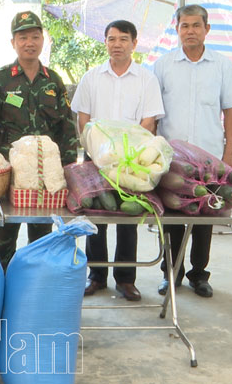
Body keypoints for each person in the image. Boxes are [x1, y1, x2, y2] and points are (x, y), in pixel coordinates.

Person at [154, 4, 232, 298]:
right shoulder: (163, 65)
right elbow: (153, 113)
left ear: (207, 29)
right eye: (184, 26)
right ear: (177, 29)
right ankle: (171, 275)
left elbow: (230, 112)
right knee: (171, 217)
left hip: (210, 160)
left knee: (205, 216)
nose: (190, 31)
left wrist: (229, 152)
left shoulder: (221, 65)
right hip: (172, 158)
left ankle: (198, 275)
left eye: (196, 25)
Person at [0, 10, 79, 270]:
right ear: (13, 42)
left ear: (43, 40)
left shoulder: (53, 80)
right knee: (6, 231)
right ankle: (0, 280)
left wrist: (67, 170)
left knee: (41, 232)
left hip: (46, 173)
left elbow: (66, 128)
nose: (29, 43)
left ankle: (35, 285)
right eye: (23, 37)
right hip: (10, 171)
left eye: (35, 36)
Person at [72, 20, 164, 302]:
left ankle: (126, 279)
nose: (117, 44)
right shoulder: (92, 77)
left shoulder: (146, 79)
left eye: (123, 39)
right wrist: (94, 150)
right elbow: (82, 119)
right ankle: (96, 275)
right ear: (105, 43)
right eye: (111, 39)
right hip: (97, 157)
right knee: (96, 216)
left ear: (134, 43)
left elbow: (149, 121)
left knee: (128, 216)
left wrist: (129, 152)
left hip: (133, 160)